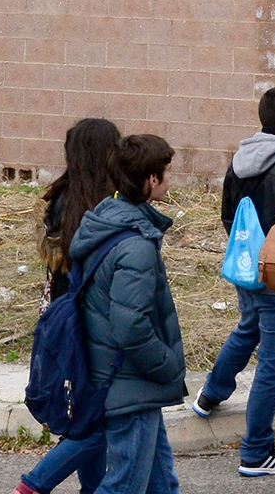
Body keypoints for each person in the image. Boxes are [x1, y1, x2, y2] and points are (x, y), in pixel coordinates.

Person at [189, 86, 275, 476]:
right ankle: (256, 452)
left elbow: (228, 216)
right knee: (273, 362)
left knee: (247, 329)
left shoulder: (239, 161)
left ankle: (209, 396)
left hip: (244, 267)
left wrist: (249, 257)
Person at [71, 133, 186, 494]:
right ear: (151, 180)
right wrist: (167, 365)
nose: (170, 180)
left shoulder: (107, 220)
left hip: (123, 380)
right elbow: (131, 325)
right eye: (166, 172)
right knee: (123, 487)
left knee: (161, 484)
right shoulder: (135, 245)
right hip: (131, 383)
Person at [12, 117, 120, 494]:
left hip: (60, 320)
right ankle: (34, 485)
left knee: (88, 420)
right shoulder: (104, 207)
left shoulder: (58, 199)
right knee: (97, 425)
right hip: (93, 326)